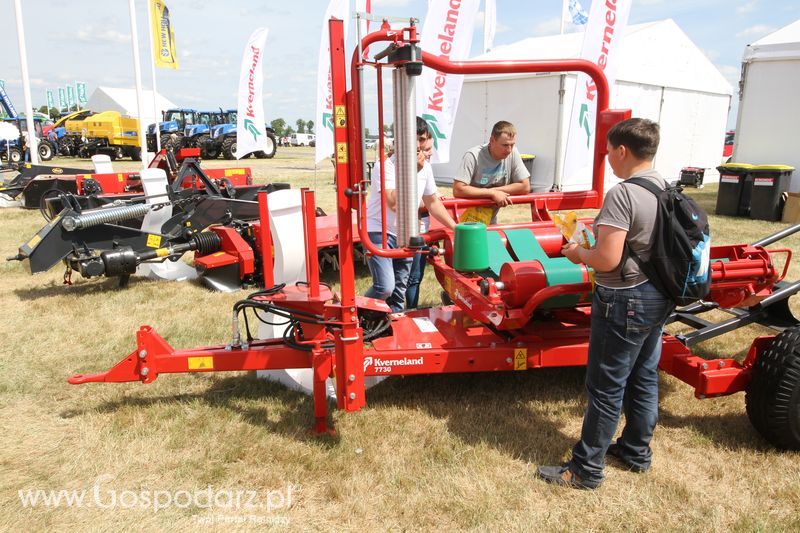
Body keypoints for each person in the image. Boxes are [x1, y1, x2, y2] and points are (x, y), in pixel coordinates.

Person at [536, 118, 675, 489]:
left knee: (606, 385)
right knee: (644, 377)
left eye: (609, 151)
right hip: (657, 296)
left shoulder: (623, 194)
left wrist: (578, 251)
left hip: (624, 299)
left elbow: (607, 260)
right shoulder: (665, 188)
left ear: (622, 151)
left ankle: (585, 469)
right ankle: (635, 451)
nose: (608, 159)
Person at [365, 117, 457, 312]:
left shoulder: (426, 168)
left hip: (406, 232)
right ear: (404, 140)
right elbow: (394, 203)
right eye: (419, 140)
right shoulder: (385, 166)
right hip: (380, 230)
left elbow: (432, 202)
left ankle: (392, 327)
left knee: (399, 288)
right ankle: (358, 311)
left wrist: (454, 227)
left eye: (423, 140)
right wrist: (413, 171)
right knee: (385, 287)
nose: (422, 147)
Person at [452, 120, 530, 223]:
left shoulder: (513, 152)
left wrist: (494, 192)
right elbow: (458, 189)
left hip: (489, 218)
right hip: (467, 220)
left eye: (512, 145)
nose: (509, 150)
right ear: (492, 140)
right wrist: (491, 193)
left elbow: (525, 186)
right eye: (505, 145)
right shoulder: (473, 156)